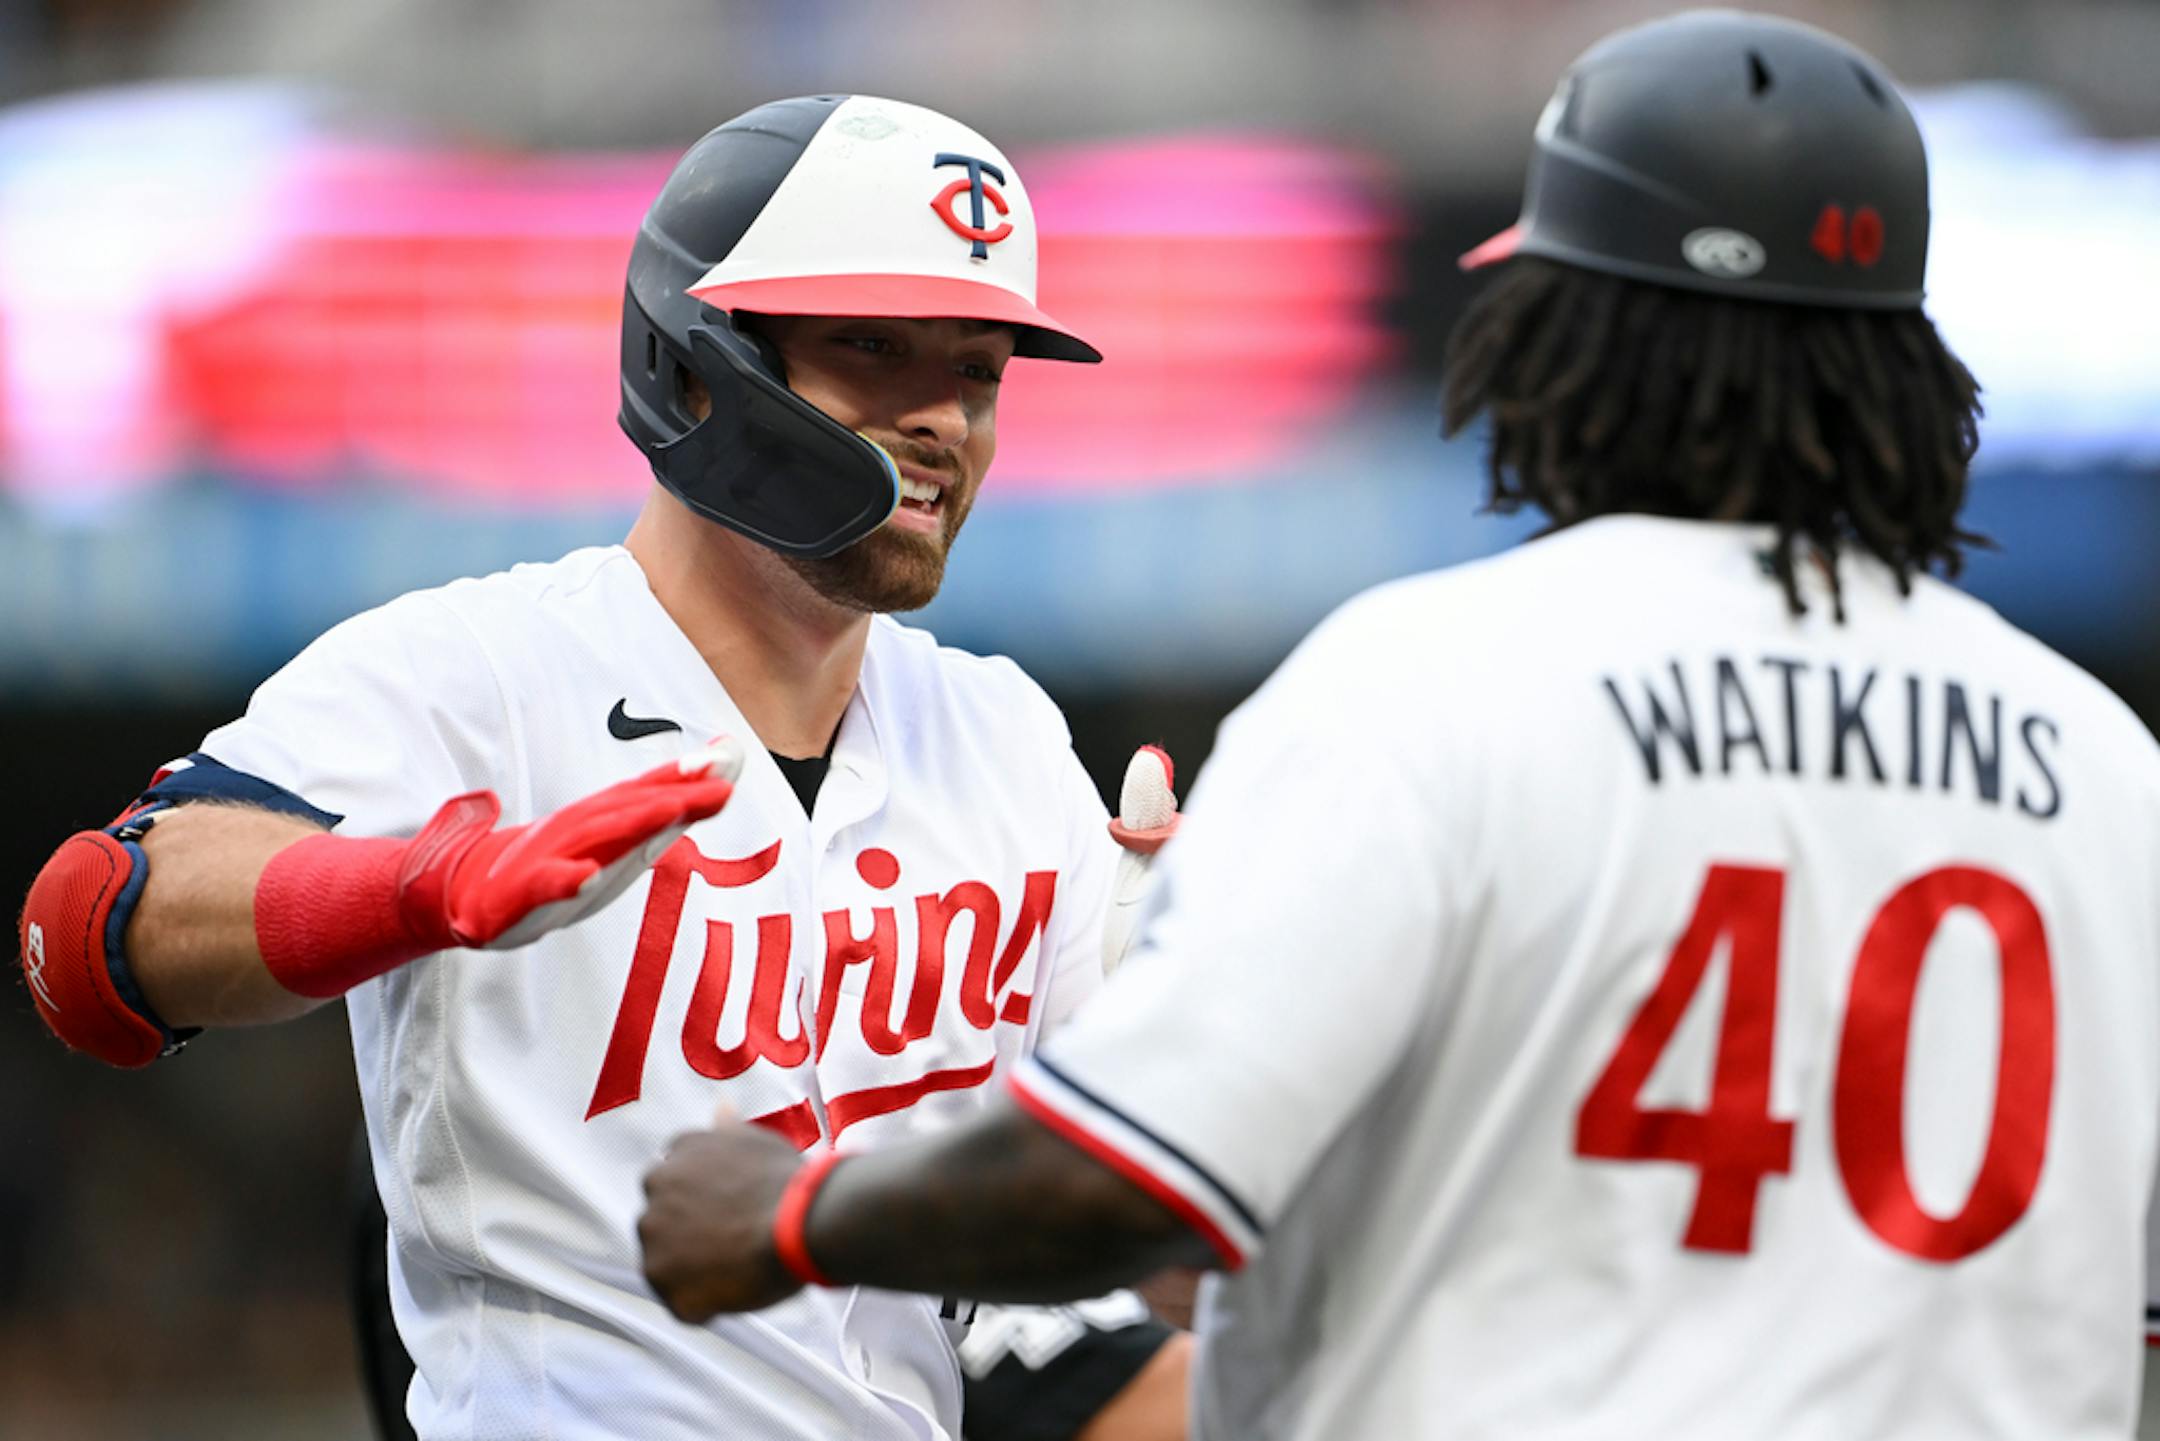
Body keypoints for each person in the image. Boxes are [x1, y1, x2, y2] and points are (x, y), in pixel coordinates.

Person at [635, 16, 2160, 1441]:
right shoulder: (2107, 769)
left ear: (1578, 332)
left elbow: (1125, 1187)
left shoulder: (1442, 681)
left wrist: (786, 1216)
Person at [19, 94, 1189, 1441]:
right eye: (874, 348)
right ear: (697, 366)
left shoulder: (1006, 735)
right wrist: (407, 885)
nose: (946, 420)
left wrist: (1197, 994)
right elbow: (86, 937)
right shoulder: (479, 673)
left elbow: (1103, 1275)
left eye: (980, 368)